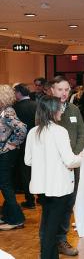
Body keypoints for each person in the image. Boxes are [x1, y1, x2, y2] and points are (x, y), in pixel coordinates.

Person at [25, 96, 82, 259]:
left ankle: (47, 255)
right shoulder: (59, 131)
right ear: (52, 110)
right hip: (59, 186)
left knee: (49, 223)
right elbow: (70, 160)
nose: (62, 110)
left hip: (41, 187)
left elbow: (27, 160)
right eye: (60, 107)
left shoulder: (33, 132)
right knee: (52, 228)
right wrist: (81, 157)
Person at [50, 76, 84, 256]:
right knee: (55, 203)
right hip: (55, 166)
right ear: (52, 90)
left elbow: (81, 133)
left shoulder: (74, 109)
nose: (64, 93)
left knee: (69, 202)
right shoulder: (46, 111)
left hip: (73, 165)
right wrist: (63, 158)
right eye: (60, 89)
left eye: (66, 90)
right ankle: (51, 240)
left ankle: (61, 239)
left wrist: (75, 155)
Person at [0, 85, 27, 231]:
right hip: (4, 153)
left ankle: (16, 219)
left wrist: (11, 144)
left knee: (5, 185)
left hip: (6, 154)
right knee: (5, 184)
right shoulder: (4, 111)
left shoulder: (8, 112)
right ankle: (7, 215)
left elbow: (22, 128)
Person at [13, 83, 37, 209]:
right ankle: (42, 198)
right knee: (38, 170)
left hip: (22, 144)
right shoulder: (37, 105)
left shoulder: (14, 108)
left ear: (19, 93)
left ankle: (30, 199)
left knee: (25, 172)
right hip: (38, 142)